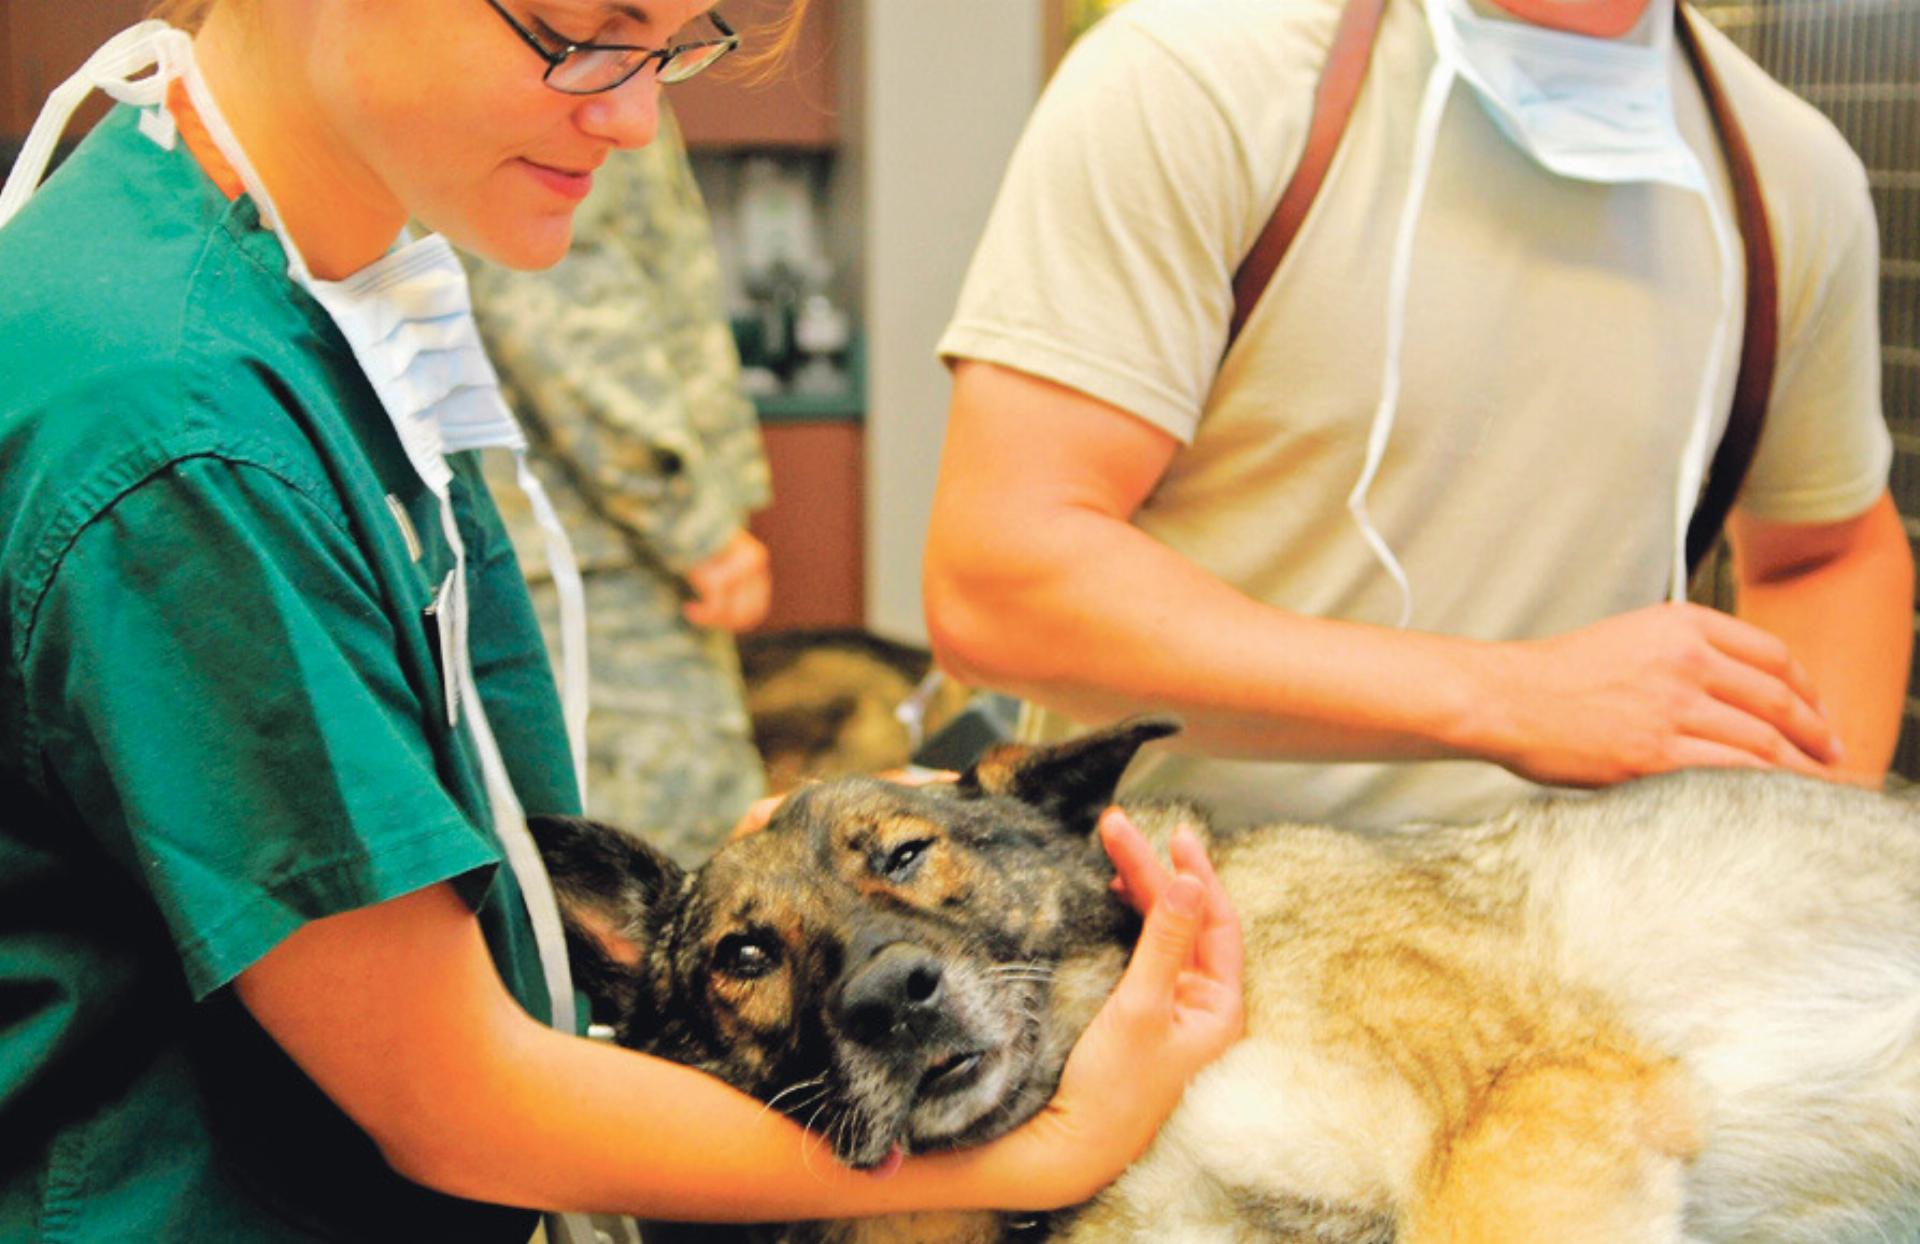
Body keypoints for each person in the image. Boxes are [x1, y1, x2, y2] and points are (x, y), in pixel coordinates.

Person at [0, 3, 1243, 1242]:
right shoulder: (181, 432)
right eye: (576, 34)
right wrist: (1052, 1147)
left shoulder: (305, 290)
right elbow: (453, 1099)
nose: (637, 115)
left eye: (673, 47)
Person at [926, 0, 1913, 832]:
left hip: (1586, 970)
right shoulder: (1199, 77)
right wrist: (1512, 697)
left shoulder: (1790, 177)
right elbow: (1001, 578)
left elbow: (1829, 551)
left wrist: (1795, 852)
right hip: (1180, 954)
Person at [466, 110, 774, 866]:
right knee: (674, 880)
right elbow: (560, 306)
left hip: (573, 544)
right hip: (593, 558)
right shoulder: (574, 62)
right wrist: (692, 525)